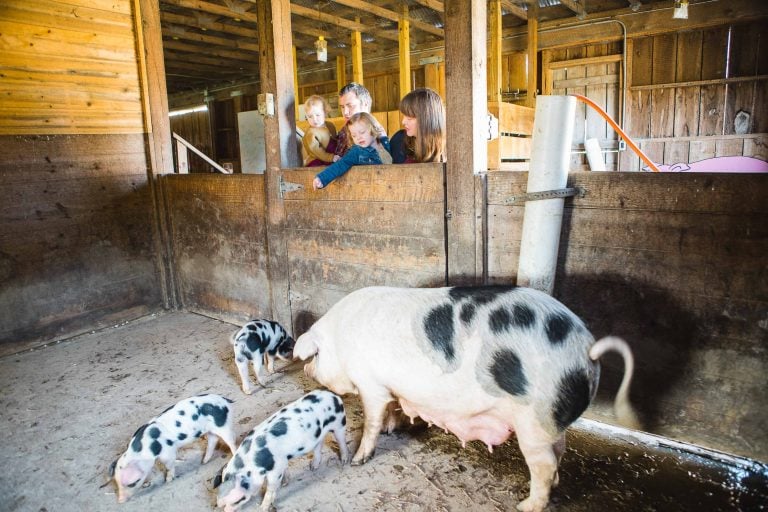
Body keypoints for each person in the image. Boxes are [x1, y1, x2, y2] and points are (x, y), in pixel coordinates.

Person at [313, 112, 392, 189]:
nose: (358, 137)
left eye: (362, 132)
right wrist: (322, 178)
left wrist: (383, 138)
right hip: (372, 188)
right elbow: (340, 164)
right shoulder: (357, 151)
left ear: (373, 128)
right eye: (354, 135)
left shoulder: (385, 143)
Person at [390, 87, 446, 164]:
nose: (403, 122)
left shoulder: (449, 149)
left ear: (426, 120)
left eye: (409, 118)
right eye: (404, 116)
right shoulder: (399, 141)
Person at [335, 82, 387, 159]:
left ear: (365, 104)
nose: (345, 112)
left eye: (350, 106)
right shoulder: (344, 130)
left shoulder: (376, 131)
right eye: (342, 107)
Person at [300, 95, 337, 167]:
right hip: (317, 159)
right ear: (306, 117)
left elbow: (335, 139)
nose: (314, 119)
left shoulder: (330, 125)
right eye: (310, 116)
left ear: (325, 112)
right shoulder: (311, 134)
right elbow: (318, 151)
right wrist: (331, 157)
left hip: (331, 157)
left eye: (318, 115)